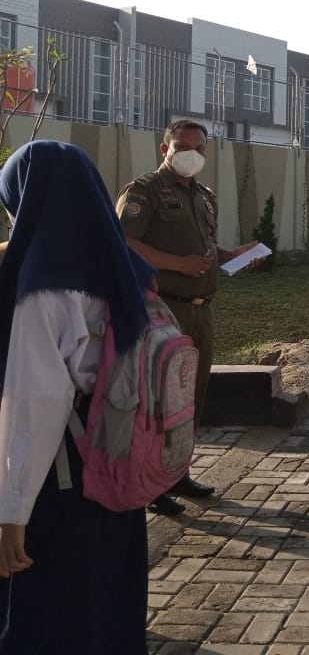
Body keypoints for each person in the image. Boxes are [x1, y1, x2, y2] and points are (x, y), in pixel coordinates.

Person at [0, 141, 156, 652]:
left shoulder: (44, 288)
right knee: (109, 596)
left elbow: (34, 408)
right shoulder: (124, 269)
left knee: (52, 611)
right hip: (114, 456)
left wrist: (11, 514)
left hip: (60, 476)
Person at [116, 119, 258, 517]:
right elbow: (123, 242)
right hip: (162, 310)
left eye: (199, 147)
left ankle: (177, 473)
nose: (191, 153)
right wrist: (177, 263)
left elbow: (206, 246)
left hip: (200, 311)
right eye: (183, 145)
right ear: (166, 149)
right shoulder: (144, 191)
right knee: (157, 398)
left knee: (190, 397)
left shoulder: (203, 196)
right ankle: (150, 484)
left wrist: (233, 256)